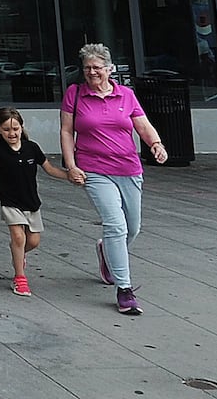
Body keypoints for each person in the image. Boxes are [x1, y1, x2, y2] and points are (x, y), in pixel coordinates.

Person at [60, 42, 168, 316]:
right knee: (115, 225)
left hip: (129, 168)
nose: (92, 73)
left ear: (110, 69)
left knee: (133, 227)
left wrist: (156, 143)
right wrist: (71, 165)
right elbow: (66, 131)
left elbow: (142, 125)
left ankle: (107, 253)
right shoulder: (75, 94)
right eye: (87, 69)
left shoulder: (127, 95)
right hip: (94, 168)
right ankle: (124, 290)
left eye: (97, 68)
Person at [0, 107, 71, 296]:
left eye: (15, 129)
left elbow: (50, 169)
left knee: (33, 241)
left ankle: (19, 254)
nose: (12, 133)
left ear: (21, 128)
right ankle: (20, 278)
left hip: (31, 201)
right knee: (18, 237)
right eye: (6, 129)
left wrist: (70, 176)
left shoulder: (32, 148)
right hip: (9, 201)